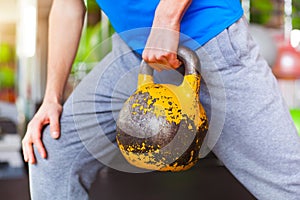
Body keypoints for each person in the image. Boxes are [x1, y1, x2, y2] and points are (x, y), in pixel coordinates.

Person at [22, 0, 300, 199]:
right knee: (52, 152)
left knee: (291, 186)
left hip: (212, 44)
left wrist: (167, 18)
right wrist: (51, 98)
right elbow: (67, 5)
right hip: (137, 54)